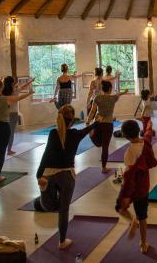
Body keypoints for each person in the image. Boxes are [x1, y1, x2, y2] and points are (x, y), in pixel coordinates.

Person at [36, 105, 99, 249]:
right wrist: (96, 121)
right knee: (63, 210)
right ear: (72, 121)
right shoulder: (76, 134)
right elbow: (86, 130)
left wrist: (39, 175)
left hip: (49, 173)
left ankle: (43, 189)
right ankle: (62, 241)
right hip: (66, 174)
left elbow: (45, 156)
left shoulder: (52, 134)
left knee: (48, 207)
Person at [115, 119, 157, 254]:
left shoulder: (129, 152)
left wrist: (127, 196)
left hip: (132, 187)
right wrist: (149, 125)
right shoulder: (145, 142)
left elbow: (128, 177)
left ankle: (132, 221)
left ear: (125, 136)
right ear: (137, 131)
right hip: (144, 186)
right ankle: (143, 243)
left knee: (120, 208)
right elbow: (149, 133)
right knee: (143, 216)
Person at [86, 81, 128, 173]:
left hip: (98, 124)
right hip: (108, 125)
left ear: (102, 89)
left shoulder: (97, 98)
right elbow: (118, 94)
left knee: (98, 144)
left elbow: (92, 111)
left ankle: (91, 134)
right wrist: (124, 92)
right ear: (109, 89)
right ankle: (103, 167)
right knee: (105, 147)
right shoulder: (113, 98)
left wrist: (88, 121)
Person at [2, 76, 34, 155]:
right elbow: (22, 89)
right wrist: (30, 83)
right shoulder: (15, 91)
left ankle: (3, 149)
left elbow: (22, 87)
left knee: (5, 132)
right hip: (13, 113)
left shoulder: (2, 91)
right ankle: (9, 150)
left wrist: (30, 82)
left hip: (4, 113)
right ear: (12, 83)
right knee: (11, 132)